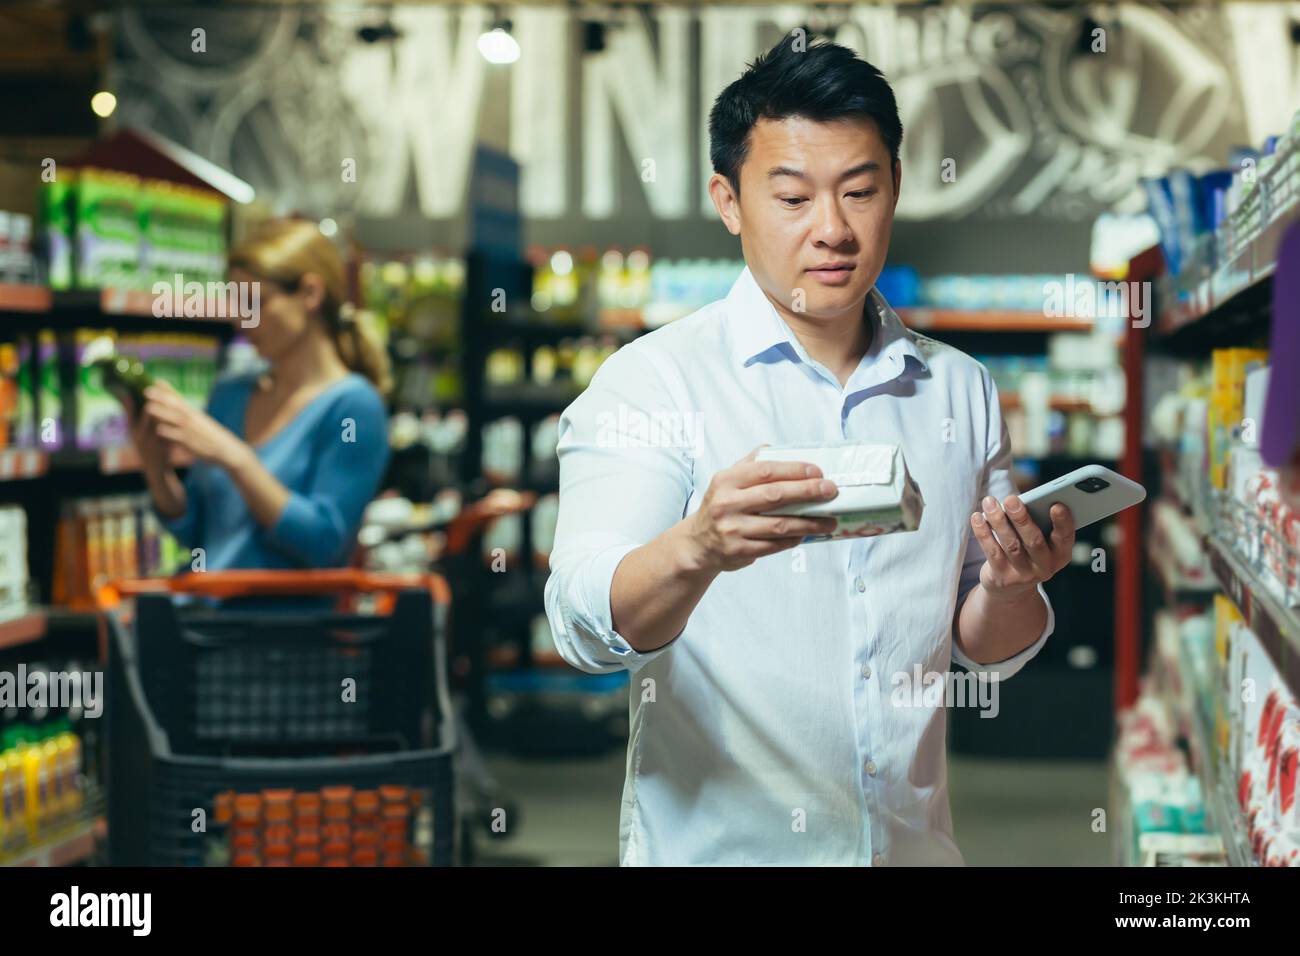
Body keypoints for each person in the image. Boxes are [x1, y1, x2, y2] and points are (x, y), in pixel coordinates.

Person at [544, 37, 1077, 866]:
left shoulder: (958, 389)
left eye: (860, 191)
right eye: (792, 198)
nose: (833, 229)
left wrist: (1012, 584)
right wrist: (698, 547)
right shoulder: (654, 382)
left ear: (895, 187)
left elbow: (986, 645)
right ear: (729, 201)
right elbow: (583, 623)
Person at [131, 218, 391, 577]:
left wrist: (236, 458)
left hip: (284, 627)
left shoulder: (353, 407)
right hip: (202, 620)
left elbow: (324, 544)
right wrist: (157, 473)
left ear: (310, 294)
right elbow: (203, 537)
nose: (241, 320)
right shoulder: (231, 392)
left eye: (256, 303)